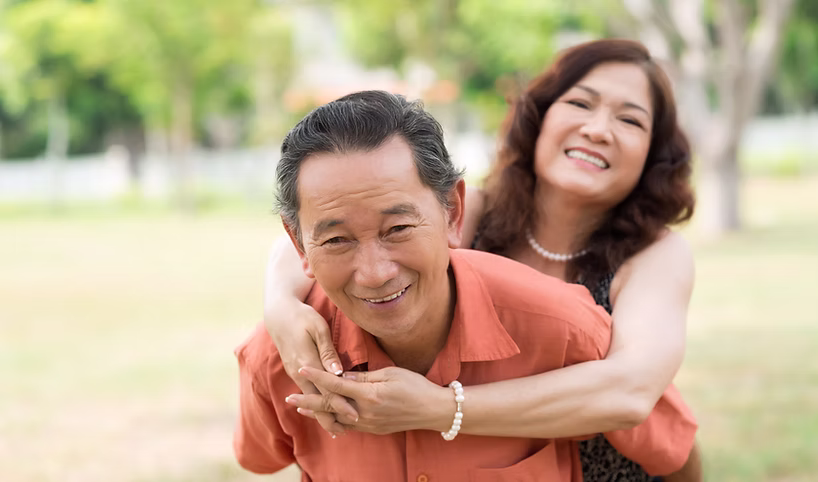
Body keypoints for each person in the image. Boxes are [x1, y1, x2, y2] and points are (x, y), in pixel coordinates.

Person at [263, 39, 701, 481]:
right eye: (580, 104)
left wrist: (439, 408)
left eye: (630, 119)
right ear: (540, 116)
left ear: (653, 152)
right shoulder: (474, 211)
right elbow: (334, 230)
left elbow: (631, 392)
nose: (598, 129)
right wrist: (280, 304)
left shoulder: (655, 254)